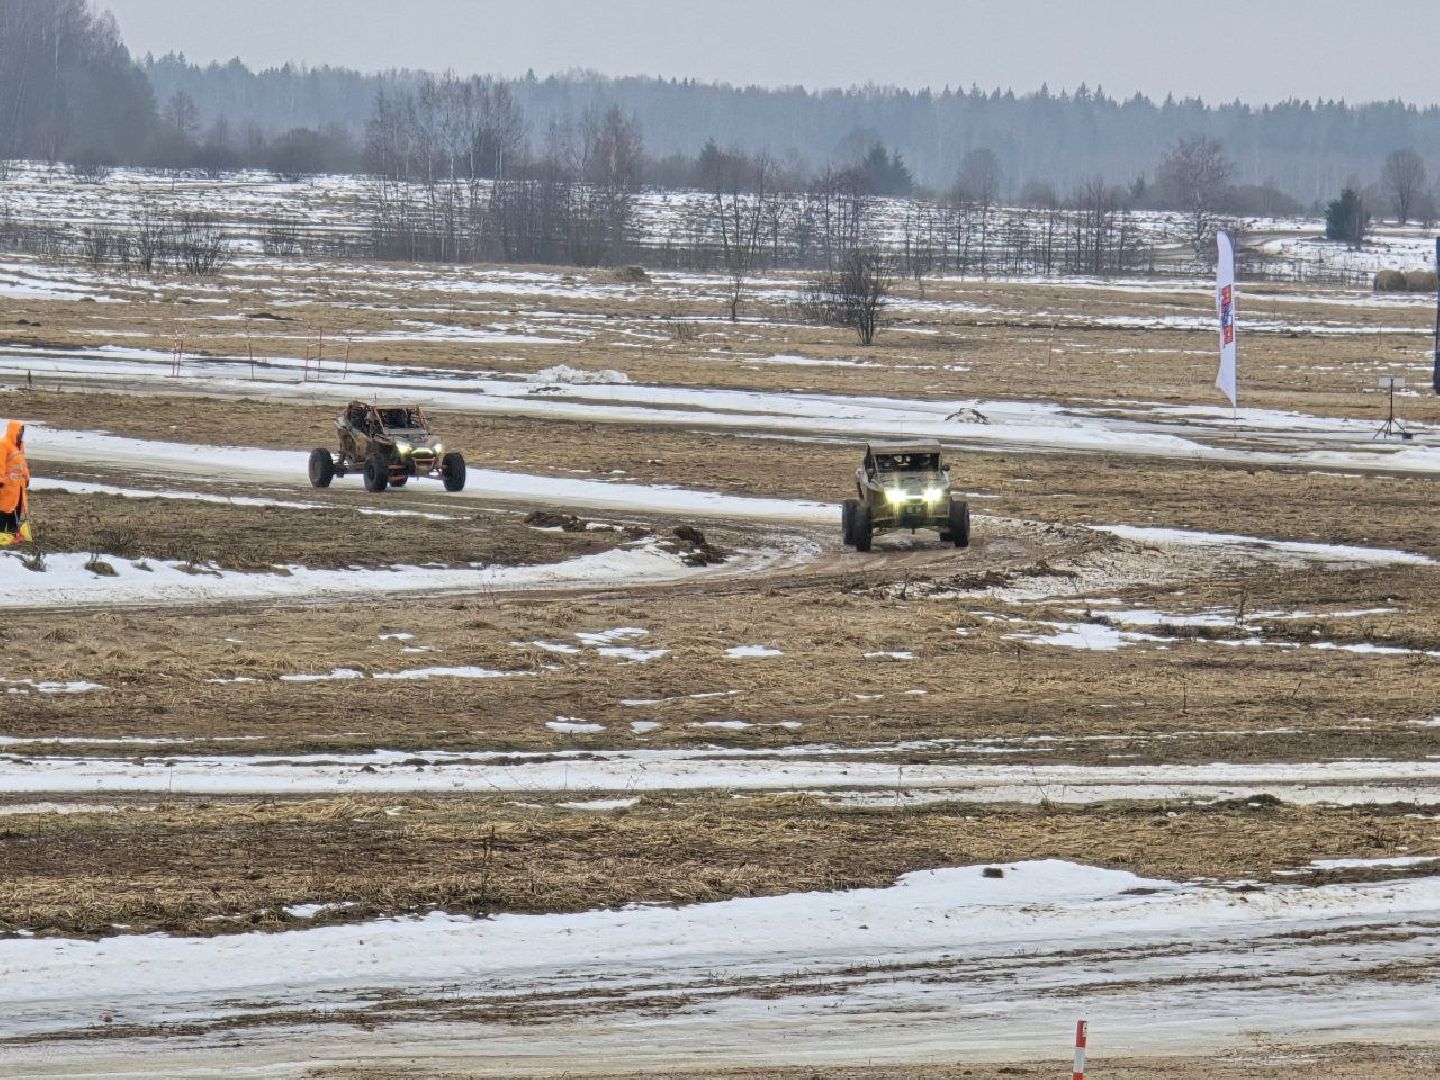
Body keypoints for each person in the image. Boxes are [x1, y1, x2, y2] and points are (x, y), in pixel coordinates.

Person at [0, 420, 31, 546]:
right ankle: (2, 534)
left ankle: (12, 534)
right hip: (7, 486)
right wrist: (0, 480)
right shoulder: (4, 444)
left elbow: (23, 465)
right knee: (4, 510)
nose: (21, 434)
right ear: (14, 431)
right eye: (19, 431)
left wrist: (27, 478)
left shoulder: (20, 446)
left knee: (17, 510)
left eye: (22, 431)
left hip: (18, 487)